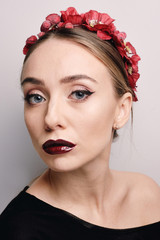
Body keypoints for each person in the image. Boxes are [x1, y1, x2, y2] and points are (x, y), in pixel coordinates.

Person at [0, 7, 160, 239]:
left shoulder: (147, 193)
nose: (51, 119)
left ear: (121, 109)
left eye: (79, 93)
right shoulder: (18, 230)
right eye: (36, 97)